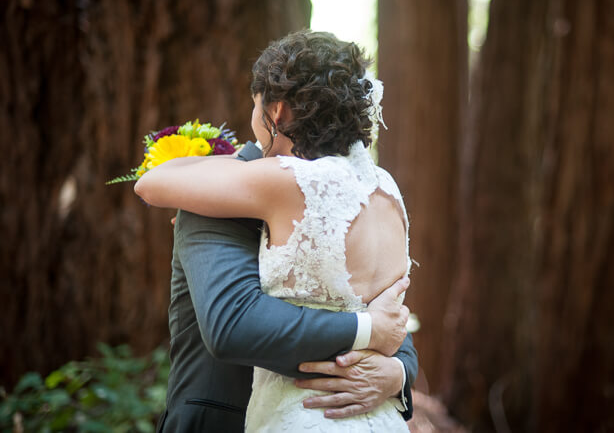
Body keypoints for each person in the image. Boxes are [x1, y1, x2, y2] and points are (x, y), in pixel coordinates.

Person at [136, 30, 415, 431]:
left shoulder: (264, 179)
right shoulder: (383, 189)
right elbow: (388, 316)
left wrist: (398, 374)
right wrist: (373, 336)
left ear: (277, 111)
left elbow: (150, 183)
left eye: (256, 106)